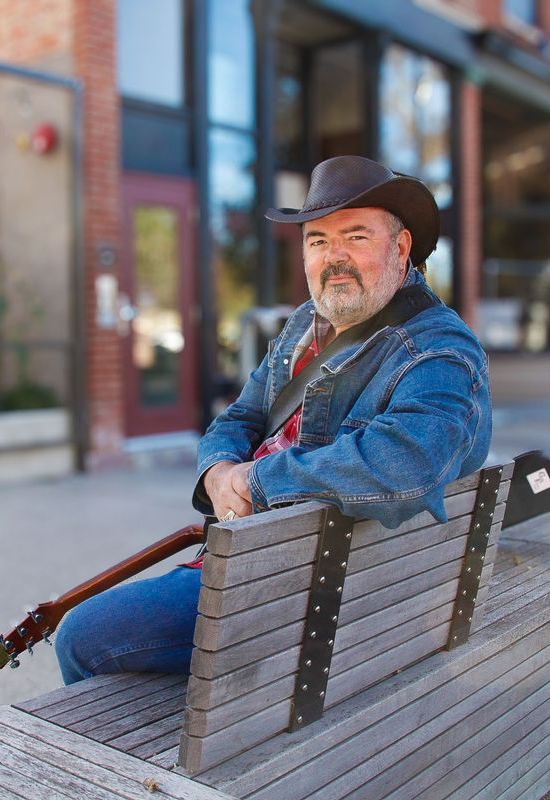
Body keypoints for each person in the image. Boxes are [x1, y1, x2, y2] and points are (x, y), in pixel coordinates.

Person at [54, 155, 492, 685]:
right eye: (317, 241)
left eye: (355, 238)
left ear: (400, 249)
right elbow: (241, 415)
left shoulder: (437, 351)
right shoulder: (305, 326)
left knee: (83, 637)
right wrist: (218, 472)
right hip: (274, 562)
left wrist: (257, 481)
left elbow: (404, 463)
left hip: (310, 590)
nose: (334, 258)